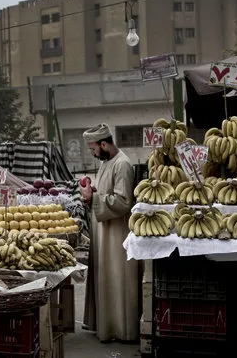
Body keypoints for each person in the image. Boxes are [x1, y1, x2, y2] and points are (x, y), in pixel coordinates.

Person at [79, 123, 138, 342]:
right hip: (104, 231)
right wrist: (92, 193)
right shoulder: (107, 162)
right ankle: (106, 327)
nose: (93, 153)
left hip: (116, 235)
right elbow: (105, 193)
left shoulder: (122, 164)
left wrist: (92, 198)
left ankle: (121, 330)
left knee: (116, 280)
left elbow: (123, 201)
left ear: (104, 144)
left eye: (93, 148)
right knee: (106, 279)